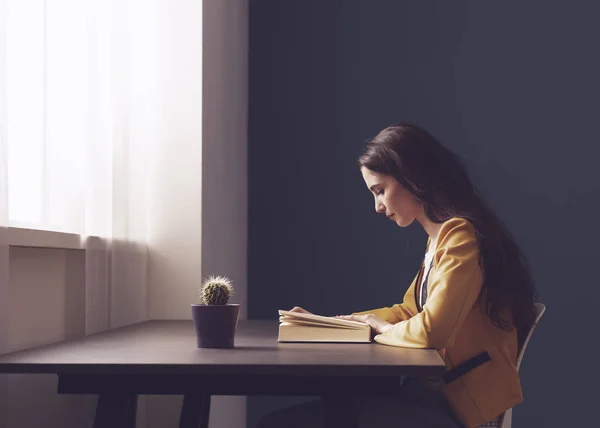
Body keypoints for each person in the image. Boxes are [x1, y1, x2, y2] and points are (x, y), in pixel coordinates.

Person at [256, 124, 538, 428]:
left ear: (411, 177)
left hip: (451, 410)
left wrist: (379, 328)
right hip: (427, 399)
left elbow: (432, 331)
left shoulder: (460, 238)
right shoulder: (439, 240)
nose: (378, 206)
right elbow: (410, 311)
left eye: (380, 191)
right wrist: (336, 323)